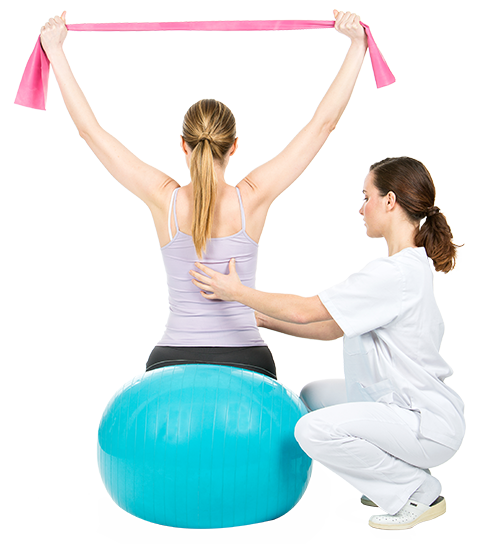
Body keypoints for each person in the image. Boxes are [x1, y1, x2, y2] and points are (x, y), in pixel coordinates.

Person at [40, 10, 368, 380]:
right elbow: (323, 125)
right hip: (248, 358)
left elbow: (90, 132)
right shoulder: (252, 197)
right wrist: (357, 46)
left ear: (184, 144)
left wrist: (56, 51)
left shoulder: (164, 198)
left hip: (172, 359)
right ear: (234, 146)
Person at [189, 155, 466, 530]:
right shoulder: (404, 269)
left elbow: (305, 311)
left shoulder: (395, 274)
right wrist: (262, 319)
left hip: (424, 423)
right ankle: (390, 480)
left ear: (390, 201)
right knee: (315, 393)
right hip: (411, 412)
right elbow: (331, 328)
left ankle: (415, 490)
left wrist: (236, 292)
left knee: (310, 430)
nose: (361, 208)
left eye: (366, 197)